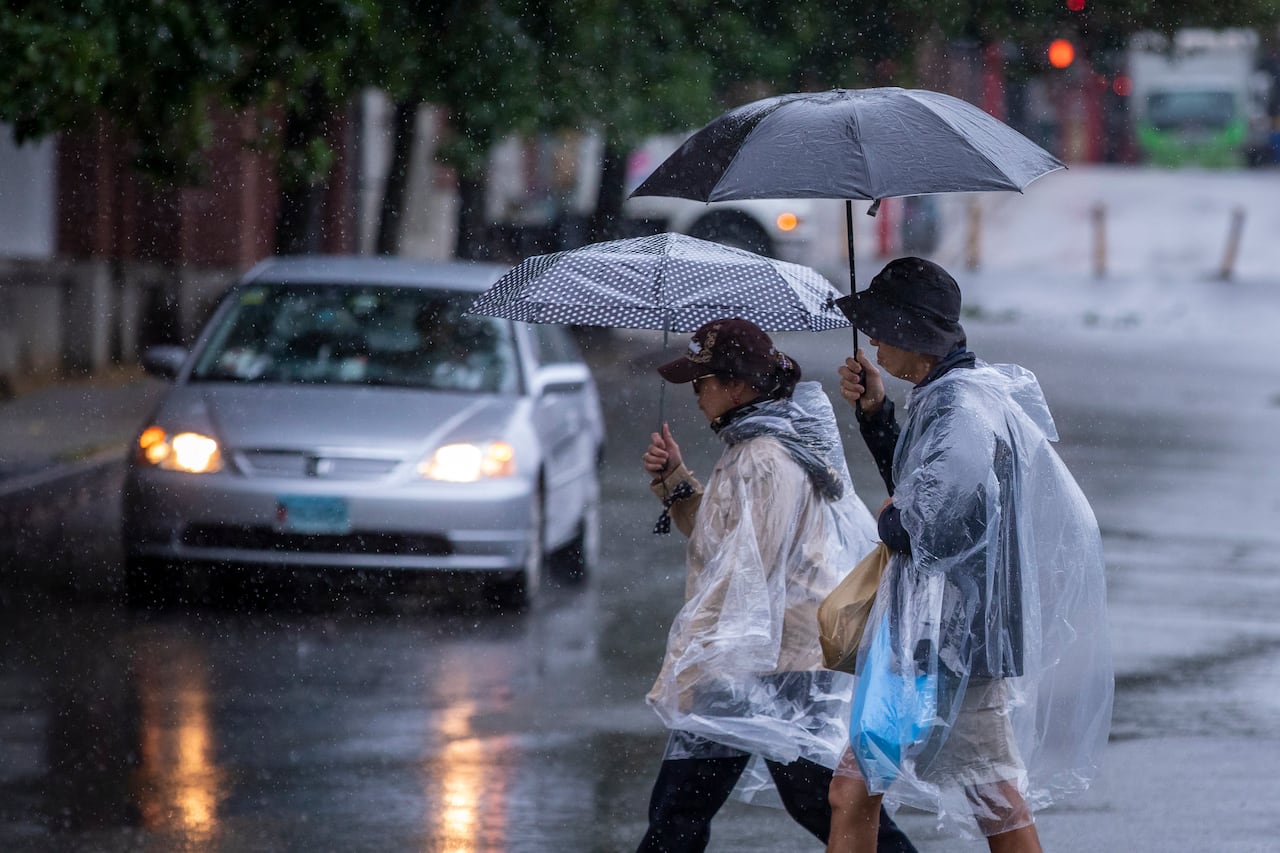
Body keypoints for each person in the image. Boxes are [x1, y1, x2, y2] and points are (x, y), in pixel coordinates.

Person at [825, 258, 1113, 851]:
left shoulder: (961, 409)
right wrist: (877, 417)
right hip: (930, 637)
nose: (872, 338)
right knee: (857, 788)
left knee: (993, 802)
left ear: (911, 331)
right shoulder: (947, 396)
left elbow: (930, 524)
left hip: (954, 645)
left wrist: (888, 521)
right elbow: (923, 488)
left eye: (880, 326)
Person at [637, 318, 916, 853]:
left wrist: (693, 658)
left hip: (775, 658)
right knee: (688, 807)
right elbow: (726, 544)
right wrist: (675, 479)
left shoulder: (764, 458)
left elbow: (747, 573)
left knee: (804, 797)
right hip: (759, 655)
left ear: (738, 386)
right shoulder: (750, 448)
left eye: (703, 382)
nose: (696, 395)